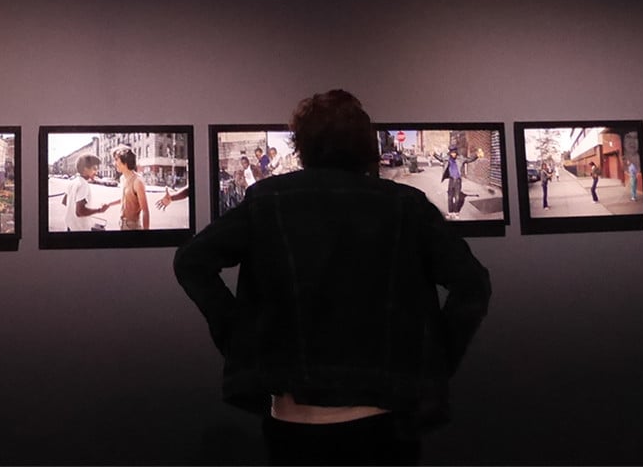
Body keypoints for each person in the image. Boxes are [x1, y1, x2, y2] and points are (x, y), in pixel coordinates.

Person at [174, 90, 490, 467]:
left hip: (293, 419)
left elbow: (192, 261)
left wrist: (241, 336)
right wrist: (433, 359)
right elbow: (472, 285)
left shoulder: (268, 201)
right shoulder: (406, 205)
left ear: (302, 145)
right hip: (382, 418)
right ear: (365, 145)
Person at [62, 154, 117, 230]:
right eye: (94, 169)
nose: (96, 172)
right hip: (79, 229)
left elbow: (64, 201)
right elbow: (80, 212)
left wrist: (72, 210)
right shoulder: (83, 184)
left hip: (69, 227)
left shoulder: (73, 181)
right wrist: (99, 210)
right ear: (85, 169)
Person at [114, 146, 149, 231]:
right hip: (122, 223)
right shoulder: (122, 178)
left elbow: (145, 211)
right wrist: (108, 204)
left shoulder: (137, 181)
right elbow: (126, 198)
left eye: (116, 160)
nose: (114, 163)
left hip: (132, 226)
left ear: (125, 162)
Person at [440, 148, 465, 220]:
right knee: (450, 197)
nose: (453, 154)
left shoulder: (461, 159)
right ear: (450, 153)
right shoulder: (447, 159)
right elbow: (440, 158)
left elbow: (469, 160)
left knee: (457, 198)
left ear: (456, 153)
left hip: (458, 181)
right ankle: (450, 212)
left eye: (454, 153)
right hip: (451, 180)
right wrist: (434, 154)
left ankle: (456, 212)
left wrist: (477, 156)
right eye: (452, 153)